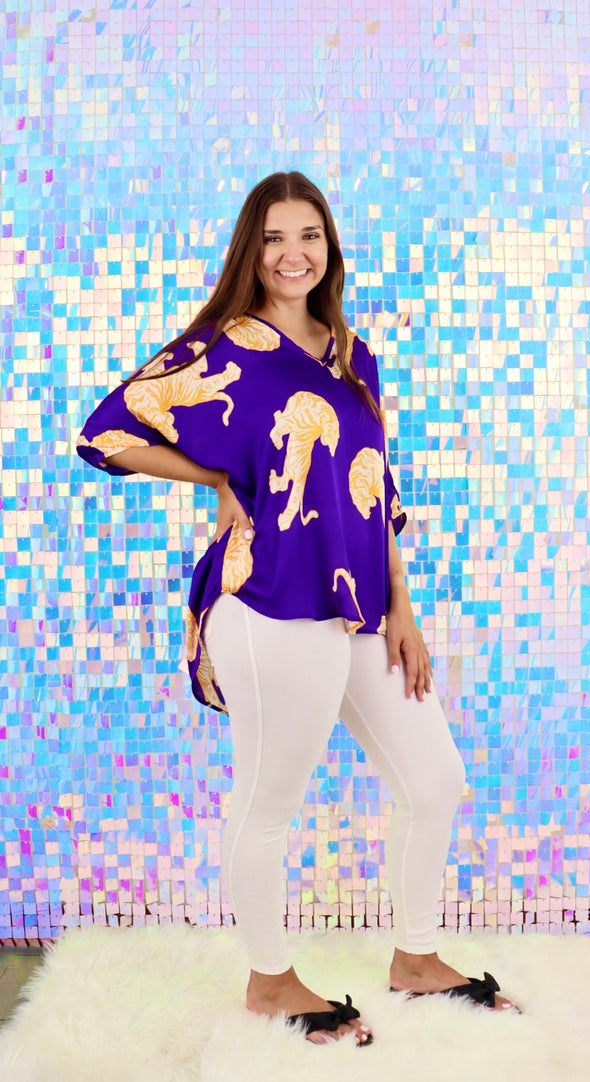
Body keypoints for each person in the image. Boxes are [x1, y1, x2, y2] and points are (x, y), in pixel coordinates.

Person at [76, 171, 520, 1046]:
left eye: (308, 235)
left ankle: (417, 960)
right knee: (269, 799)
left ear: (329, 247)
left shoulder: (354, 355)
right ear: (253, 248)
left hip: (355, 603)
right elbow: (107, 431)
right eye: (275, 237)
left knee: (436, 781)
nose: (292, 254)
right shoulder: (219, 347)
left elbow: (374, 486)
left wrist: (402, 606)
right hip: (268, 596)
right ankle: (269, 981)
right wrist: (217, 477)